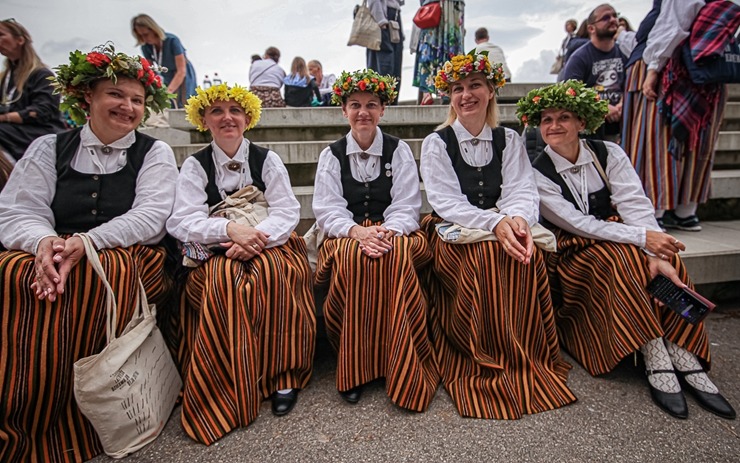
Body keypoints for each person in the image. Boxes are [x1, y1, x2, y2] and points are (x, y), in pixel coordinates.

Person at [0, 43, 179, 462]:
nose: (127, 106)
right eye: (116, 94)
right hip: (55, 245)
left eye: (137, 99)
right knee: (12, 271)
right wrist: (44, 243)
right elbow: (19, 209)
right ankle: (28, 410)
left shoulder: (154, 152)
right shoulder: (49, 148)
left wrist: (89, 243)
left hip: (129, 252)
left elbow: (152, 217)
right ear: (87, 98)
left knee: (99, 274)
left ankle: (94, 416)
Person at [516, 80, 736, 420]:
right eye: (546, 120)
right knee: (618, 257)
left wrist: (655, 251)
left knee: (667, 255)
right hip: (575, 248)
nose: (554, 126)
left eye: (563, 117)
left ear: (582, 123)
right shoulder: (537, 171)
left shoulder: (609, 153)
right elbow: (576, 223)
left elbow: (635, 204)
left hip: (618, 230)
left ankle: (681, 347)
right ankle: (652, 349)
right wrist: (640, 239)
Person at [419, 52, 576, 420]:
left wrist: (516, 221)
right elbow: (445, 200)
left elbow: (521, 188)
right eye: (458, 88)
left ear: (491, 91)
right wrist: (494, 225)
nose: (465, 95)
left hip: (501, 219)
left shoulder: (508, 138)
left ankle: (523, 355)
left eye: (475, 85)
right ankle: (480, 355)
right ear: (450, 97)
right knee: (485, 258)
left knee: (525, 253)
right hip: (454, 229)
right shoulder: (437, 142)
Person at [169, 83, 315, 444]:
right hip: (218, 245)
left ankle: (283, 373)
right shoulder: (195, 165)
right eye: (217, 111)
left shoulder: (268, 159)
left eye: (235, 110)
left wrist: (256, 239)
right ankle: (228, 376)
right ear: (203, 119)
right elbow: (180, 220)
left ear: (248, 117)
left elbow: (287, 211)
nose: (227, 117)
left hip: (269, 241)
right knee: (223, 281)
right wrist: (231, 229)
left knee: (275, 273)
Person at [313, 69, 439, 409]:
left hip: (393, 230)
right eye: (355, 105)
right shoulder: (332, 155)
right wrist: (357, 232)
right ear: (344, 110)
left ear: (383, 109)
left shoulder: (397, 151)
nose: (363, 112)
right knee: (355, 257)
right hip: (348, 232)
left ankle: (398, 363)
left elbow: (408, 204)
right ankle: (355, 368)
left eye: (371, 104)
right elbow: (327, 209)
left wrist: (384, 232)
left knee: (394, 254)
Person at [622, 0, 735, 232]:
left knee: (655, 142)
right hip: (705, 72)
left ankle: (654, 211)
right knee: (695, 141)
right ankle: (684, 211)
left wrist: (653, 69)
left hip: (671, 70)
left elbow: (672, 25)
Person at [0, 18, 65, 188]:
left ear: (20, 40)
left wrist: (5, 117)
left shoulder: (41, 74)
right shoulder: (5, 78)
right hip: (14, 131)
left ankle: (19, 180)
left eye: (1, 35)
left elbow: (43, 111)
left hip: (42, 132)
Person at [561, 3, 626, 142]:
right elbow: (570, 92)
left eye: (615, 16)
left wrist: (623, 103)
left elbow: (633, 82)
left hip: (625, 125)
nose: (613, 20)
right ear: (591, 28)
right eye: (606, 18)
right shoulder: (579, 57)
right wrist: (602, 107)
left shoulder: (625, 52)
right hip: (593, 133)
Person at [131, 13, 197, 108]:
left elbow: (181, 71)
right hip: (166, 74)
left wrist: (169, 91)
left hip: (182, 74)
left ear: (153, 30)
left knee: (184, 103)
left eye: (146, 34)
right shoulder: (146, 46)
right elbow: (150, 70)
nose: (144, 39)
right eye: (140, 36)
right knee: (168, 103)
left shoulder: (172, 41)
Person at [413, 0, 465, 105]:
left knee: (429, 47)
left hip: (431, 7)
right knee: (450, 47)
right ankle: (447, 90)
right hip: (451, 7)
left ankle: (427, 92)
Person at [366, 0, 405, 102]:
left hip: (392, 19)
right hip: (383, 21)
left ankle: (390, 100)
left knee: (394, 67)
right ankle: (381, 102)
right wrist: (381, 22)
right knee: (383, 67)